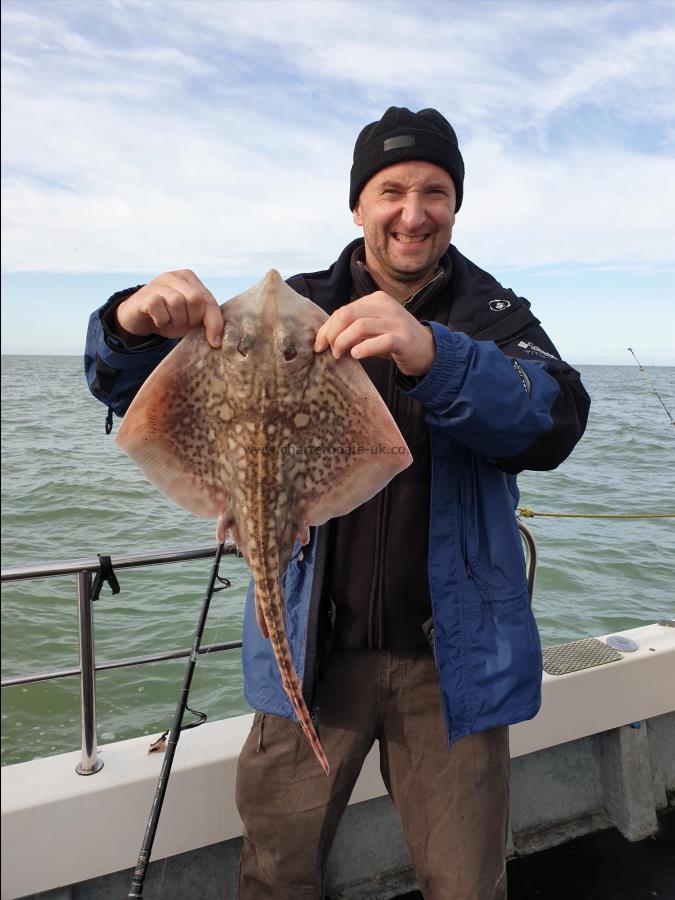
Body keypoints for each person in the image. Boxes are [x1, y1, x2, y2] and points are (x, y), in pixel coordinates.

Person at [84, 106, 590, 899]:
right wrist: (128, 326)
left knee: (466, 883)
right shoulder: (304, 307)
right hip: (310, 651)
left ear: (456, 206)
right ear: (358, 204)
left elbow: (553, 420)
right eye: (391, 190)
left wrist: (438, 356)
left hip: (447, 665)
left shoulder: (493, 317)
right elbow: (124, 386)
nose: (413, 213)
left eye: (435, 192)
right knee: (277, 874)